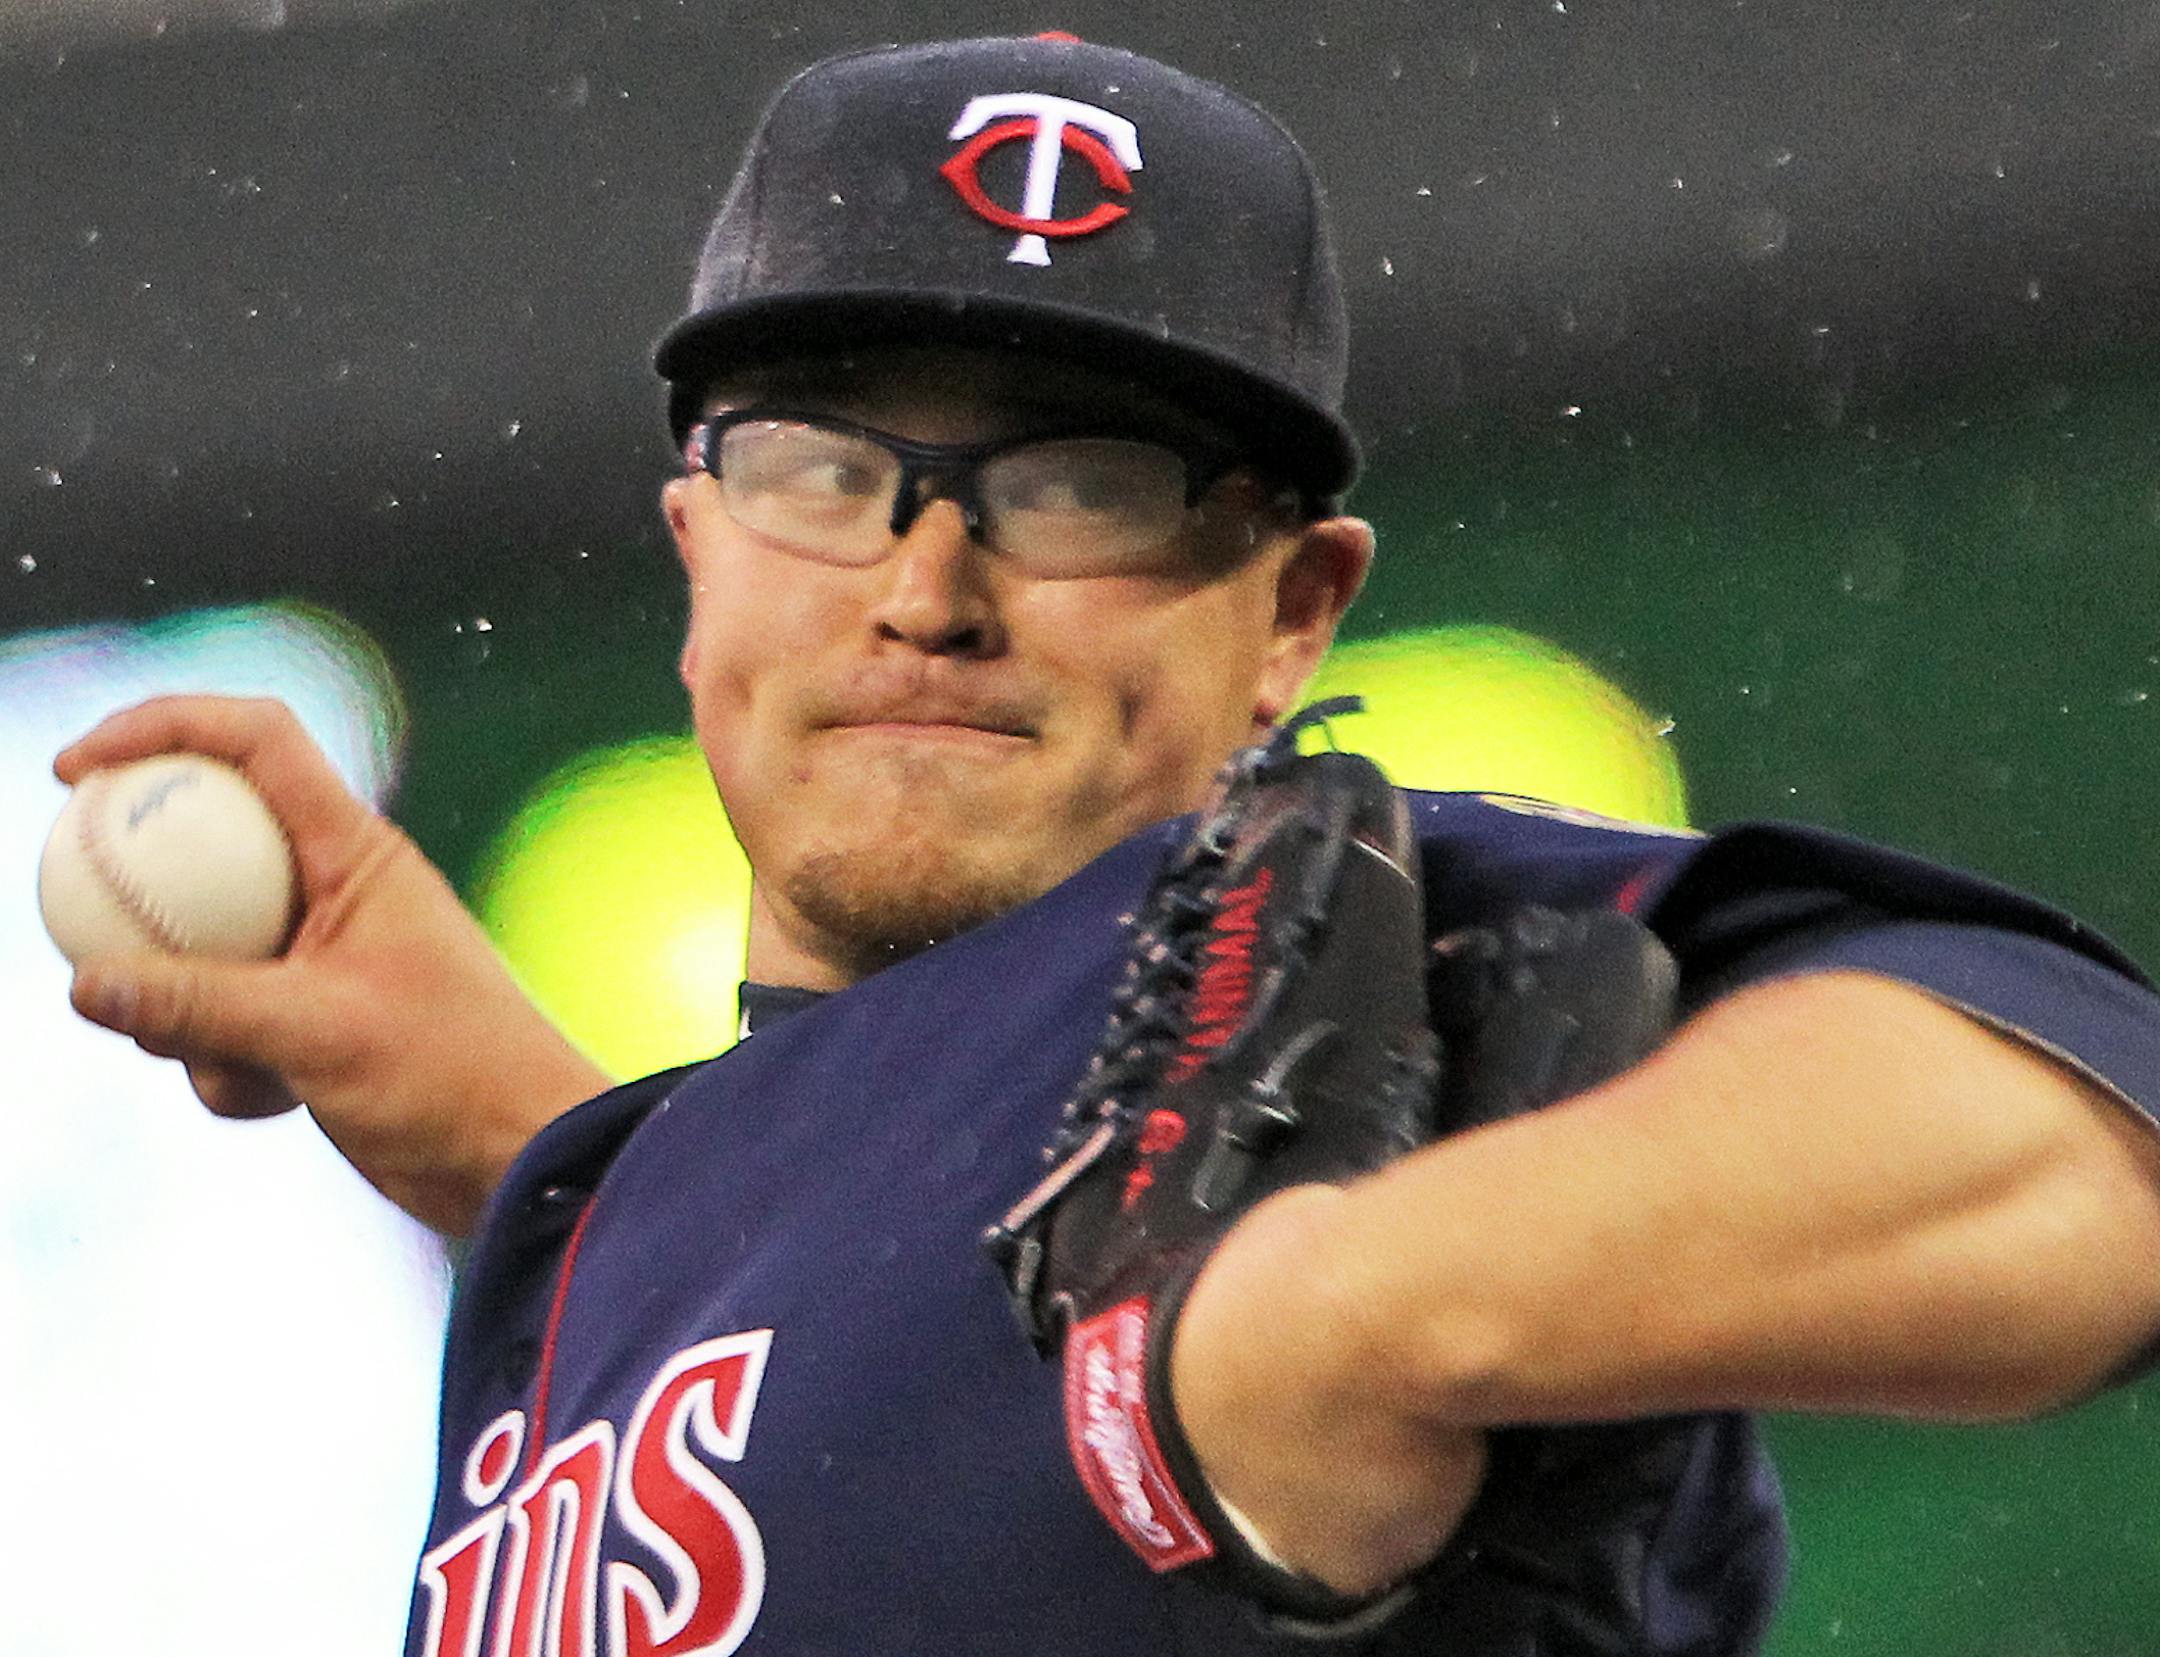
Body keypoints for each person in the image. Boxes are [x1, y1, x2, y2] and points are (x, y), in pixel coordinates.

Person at [53, 33, 2160, 1656]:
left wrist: (1336, 1314)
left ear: (1295, 608)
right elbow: (887, 1463)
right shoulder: (615, 1223)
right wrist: (534, 1155)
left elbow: (2075, 1160)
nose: (928, 582)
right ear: (696, 546)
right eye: (825, 466)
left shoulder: (1350, 940)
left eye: (1080, 486)